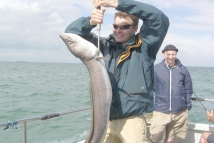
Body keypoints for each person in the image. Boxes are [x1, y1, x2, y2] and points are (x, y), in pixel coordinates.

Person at [65, 0, 169, 142]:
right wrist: (90, 22)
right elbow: (70, 36)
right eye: (115, 26)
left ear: (135, 28)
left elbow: (159, 18)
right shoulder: (102, 46)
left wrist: (117, 3)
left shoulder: (145, 46)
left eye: (124, 27)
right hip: (107, 120)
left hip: (133, 119)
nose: (118, 30)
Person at [150, 44, 193, 143]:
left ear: (176, 54)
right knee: (154, 137)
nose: (171, 57)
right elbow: (148, 87)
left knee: (170, 139)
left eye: (173, 54)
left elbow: (188, 88)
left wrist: (188, 103)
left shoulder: (183, 70)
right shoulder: (155, 69)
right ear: (163, 54)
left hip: (179, 111)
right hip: (160, 110)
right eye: (168, 54)